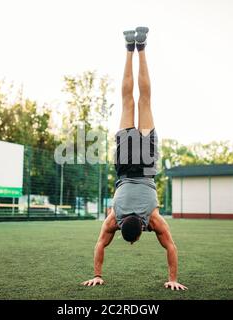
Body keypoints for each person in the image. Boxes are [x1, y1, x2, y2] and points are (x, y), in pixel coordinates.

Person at [81, 27, 187, 291]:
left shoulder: (152, 218)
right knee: (130, 101)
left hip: (147, 165)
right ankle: (131, 47)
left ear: (142, 230)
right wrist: (97, 273)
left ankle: (140, 47)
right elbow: (100, 243)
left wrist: (98, 275)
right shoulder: (113, 217)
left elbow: (171, 246)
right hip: (126, 165)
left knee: (144, 101)